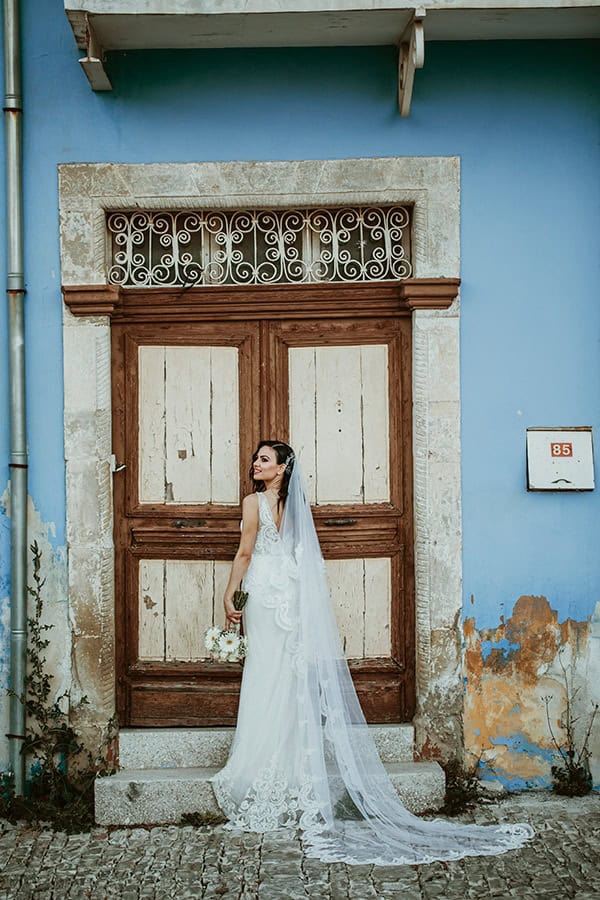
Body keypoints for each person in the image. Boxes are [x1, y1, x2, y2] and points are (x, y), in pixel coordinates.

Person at [210, 440, 534, 865]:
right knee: (285, 680)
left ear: (283, 467)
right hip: (290, 594)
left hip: (266, 596)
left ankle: (258, 769)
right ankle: (289, 771)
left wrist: (229, 593)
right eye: (256, 458)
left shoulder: (253, 504)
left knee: (265, 676)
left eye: (265, 459)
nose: (256, 463)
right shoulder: (296, 507)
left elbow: (246, 551)